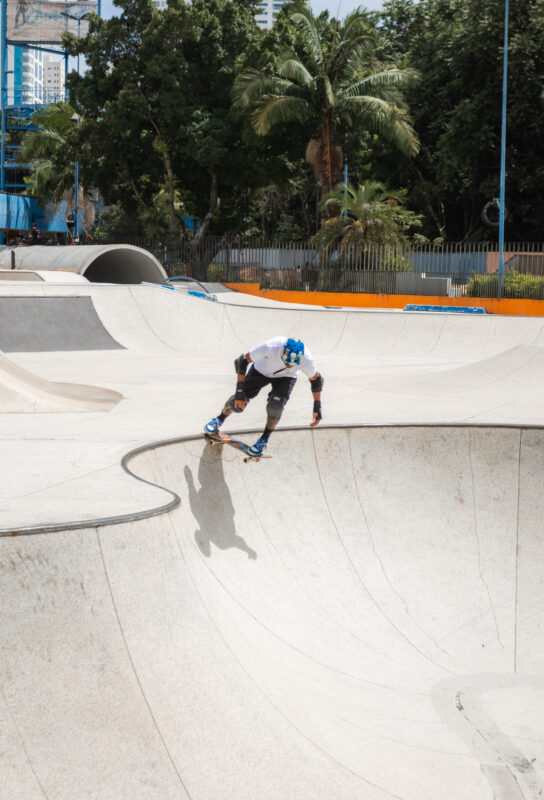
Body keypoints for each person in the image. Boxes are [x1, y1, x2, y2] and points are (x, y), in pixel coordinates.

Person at [204, 336, 323, 456]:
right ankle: (219, 419)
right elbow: (242, 361)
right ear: (282, 353)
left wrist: (317, 406)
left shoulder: (307, 359)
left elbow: (316, 380)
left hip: (286, 378)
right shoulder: (270, 347)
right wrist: (239, 391)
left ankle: (264, 439)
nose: (289, 366)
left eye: (292, 364)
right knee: (237, 403)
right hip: (260, 371)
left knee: (275, 407)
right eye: (286, 362)